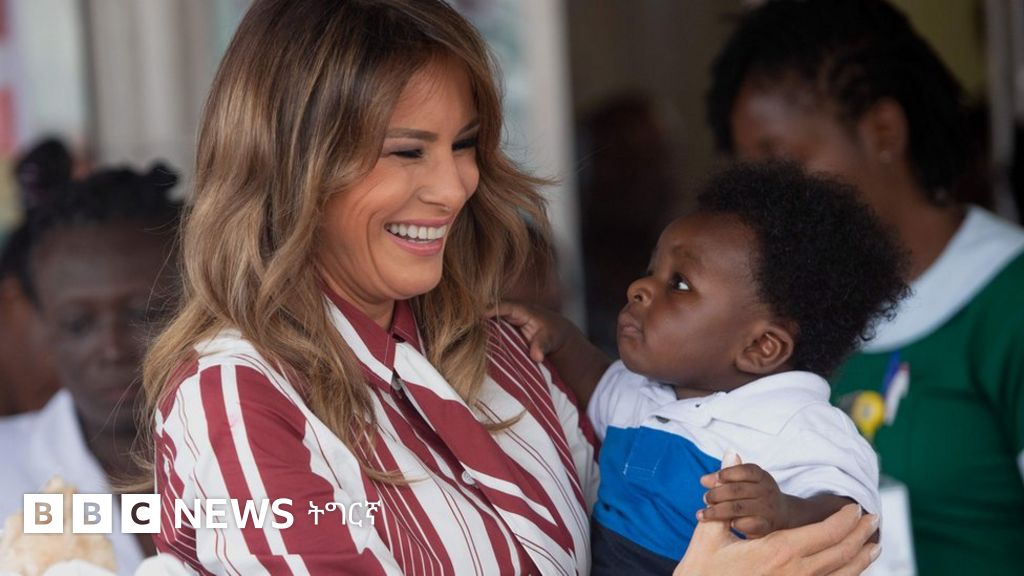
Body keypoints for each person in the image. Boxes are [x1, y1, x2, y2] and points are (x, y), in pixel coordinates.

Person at [138, 1, 882, 574]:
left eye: (465, 144)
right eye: (408, 152)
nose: (455, 185)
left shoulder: (506, 348)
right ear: (294, 165)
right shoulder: (239, 395)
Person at [707, 1, 1024, 573]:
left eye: (782, 163)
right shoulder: (776, 326)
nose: (765, 202)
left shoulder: (1007, 298)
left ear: (883, 131)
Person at [494, 162, 905, 574]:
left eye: (679, 284)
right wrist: (561, 337)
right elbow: (597, 380)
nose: (639, 288)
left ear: (761, 347)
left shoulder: (800, 424)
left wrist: (786, 511)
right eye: (651, 271)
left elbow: (858, 528)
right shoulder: (644, 389)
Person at [0, 165, 182, 573]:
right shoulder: (5, 466)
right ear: (43, 326)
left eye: (145, 314)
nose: (113, 349)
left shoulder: (280, 456)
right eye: (78, 324)